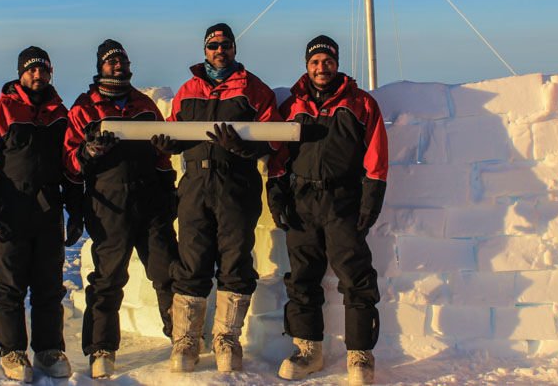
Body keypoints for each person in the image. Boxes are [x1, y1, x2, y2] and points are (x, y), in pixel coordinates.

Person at [159, 23, 284, 373]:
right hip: (195, 185)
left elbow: (274, 138)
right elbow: (175, 127)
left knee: (235, 261)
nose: (220, 50)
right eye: (213, 45)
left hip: (236, 185)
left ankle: (227, 338)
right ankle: (186, 340)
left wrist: (244, 148)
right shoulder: (189, 90)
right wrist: (169, 143)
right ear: (205, 50)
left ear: (234, 48)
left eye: (226, 45)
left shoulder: (253, 89)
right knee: (191, 261)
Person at [266, 35, 388, 385]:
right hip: (302, 200)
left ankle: (360, 354)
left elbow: (376, 155)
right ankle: (308, 350)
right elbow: (278, 154)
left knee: (356, 277)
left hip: (343, 200)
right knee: (302, 277)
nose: (322, 68)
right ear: (307, 65)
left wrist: (371, 200)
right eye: (315, 62)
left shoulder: (361, 103)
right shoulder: (292, 105)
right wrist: (277, 195)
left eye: (328, 61)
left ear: (337, 63)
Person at [63, 39, 178, 379]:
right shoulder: (85, 108)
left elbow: (162, 154)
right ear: (100, 67)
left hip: (150, 201)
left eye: (122, 61)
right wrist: (88, 152)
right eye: (111, 61)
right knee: (108, 278)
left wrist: (167, 180)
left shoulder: (144, 104)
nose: (118, 66)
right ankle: (101, 349)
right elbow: (68, 162)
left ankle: (182, 336)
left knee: (166, 270)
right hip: (108, 204)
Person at [0, 46, 83, 383]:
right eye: (31, 70)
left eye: (43, 69)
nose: (38, 75)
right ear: (21, 73)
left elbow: (70, 167)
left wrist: (75, 210)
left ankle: (48, 350)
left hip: (48, 211)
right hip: (11, 211)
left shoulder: (60, 114)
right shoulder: (0, 112)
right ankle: (12, 350)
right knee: (10, 287)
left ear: (51, 73)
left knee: (49, 286)